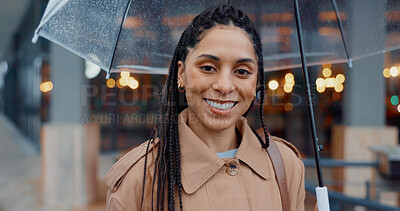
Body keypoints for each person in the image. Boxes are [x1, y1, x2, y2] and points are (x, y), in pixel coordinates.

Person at [105, 4, 305, 211]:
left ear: (256, 82)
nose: (224, 86)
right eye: (208, 68)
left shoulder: (285, 164)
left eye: (242, 71)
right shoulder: (140, 178)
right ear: (181, 73)